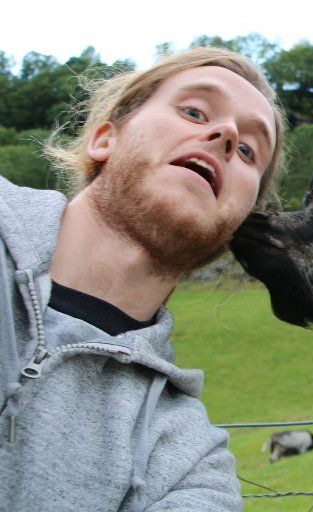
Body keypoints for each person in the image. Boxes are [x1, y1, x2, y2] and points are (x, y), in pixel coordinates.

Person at [0, 47, 286, 512]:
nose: (228, 134)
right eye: (194, 111)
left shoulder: (188, 464)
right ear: (104, 138)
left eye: (249, 151)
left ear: (237, 224)